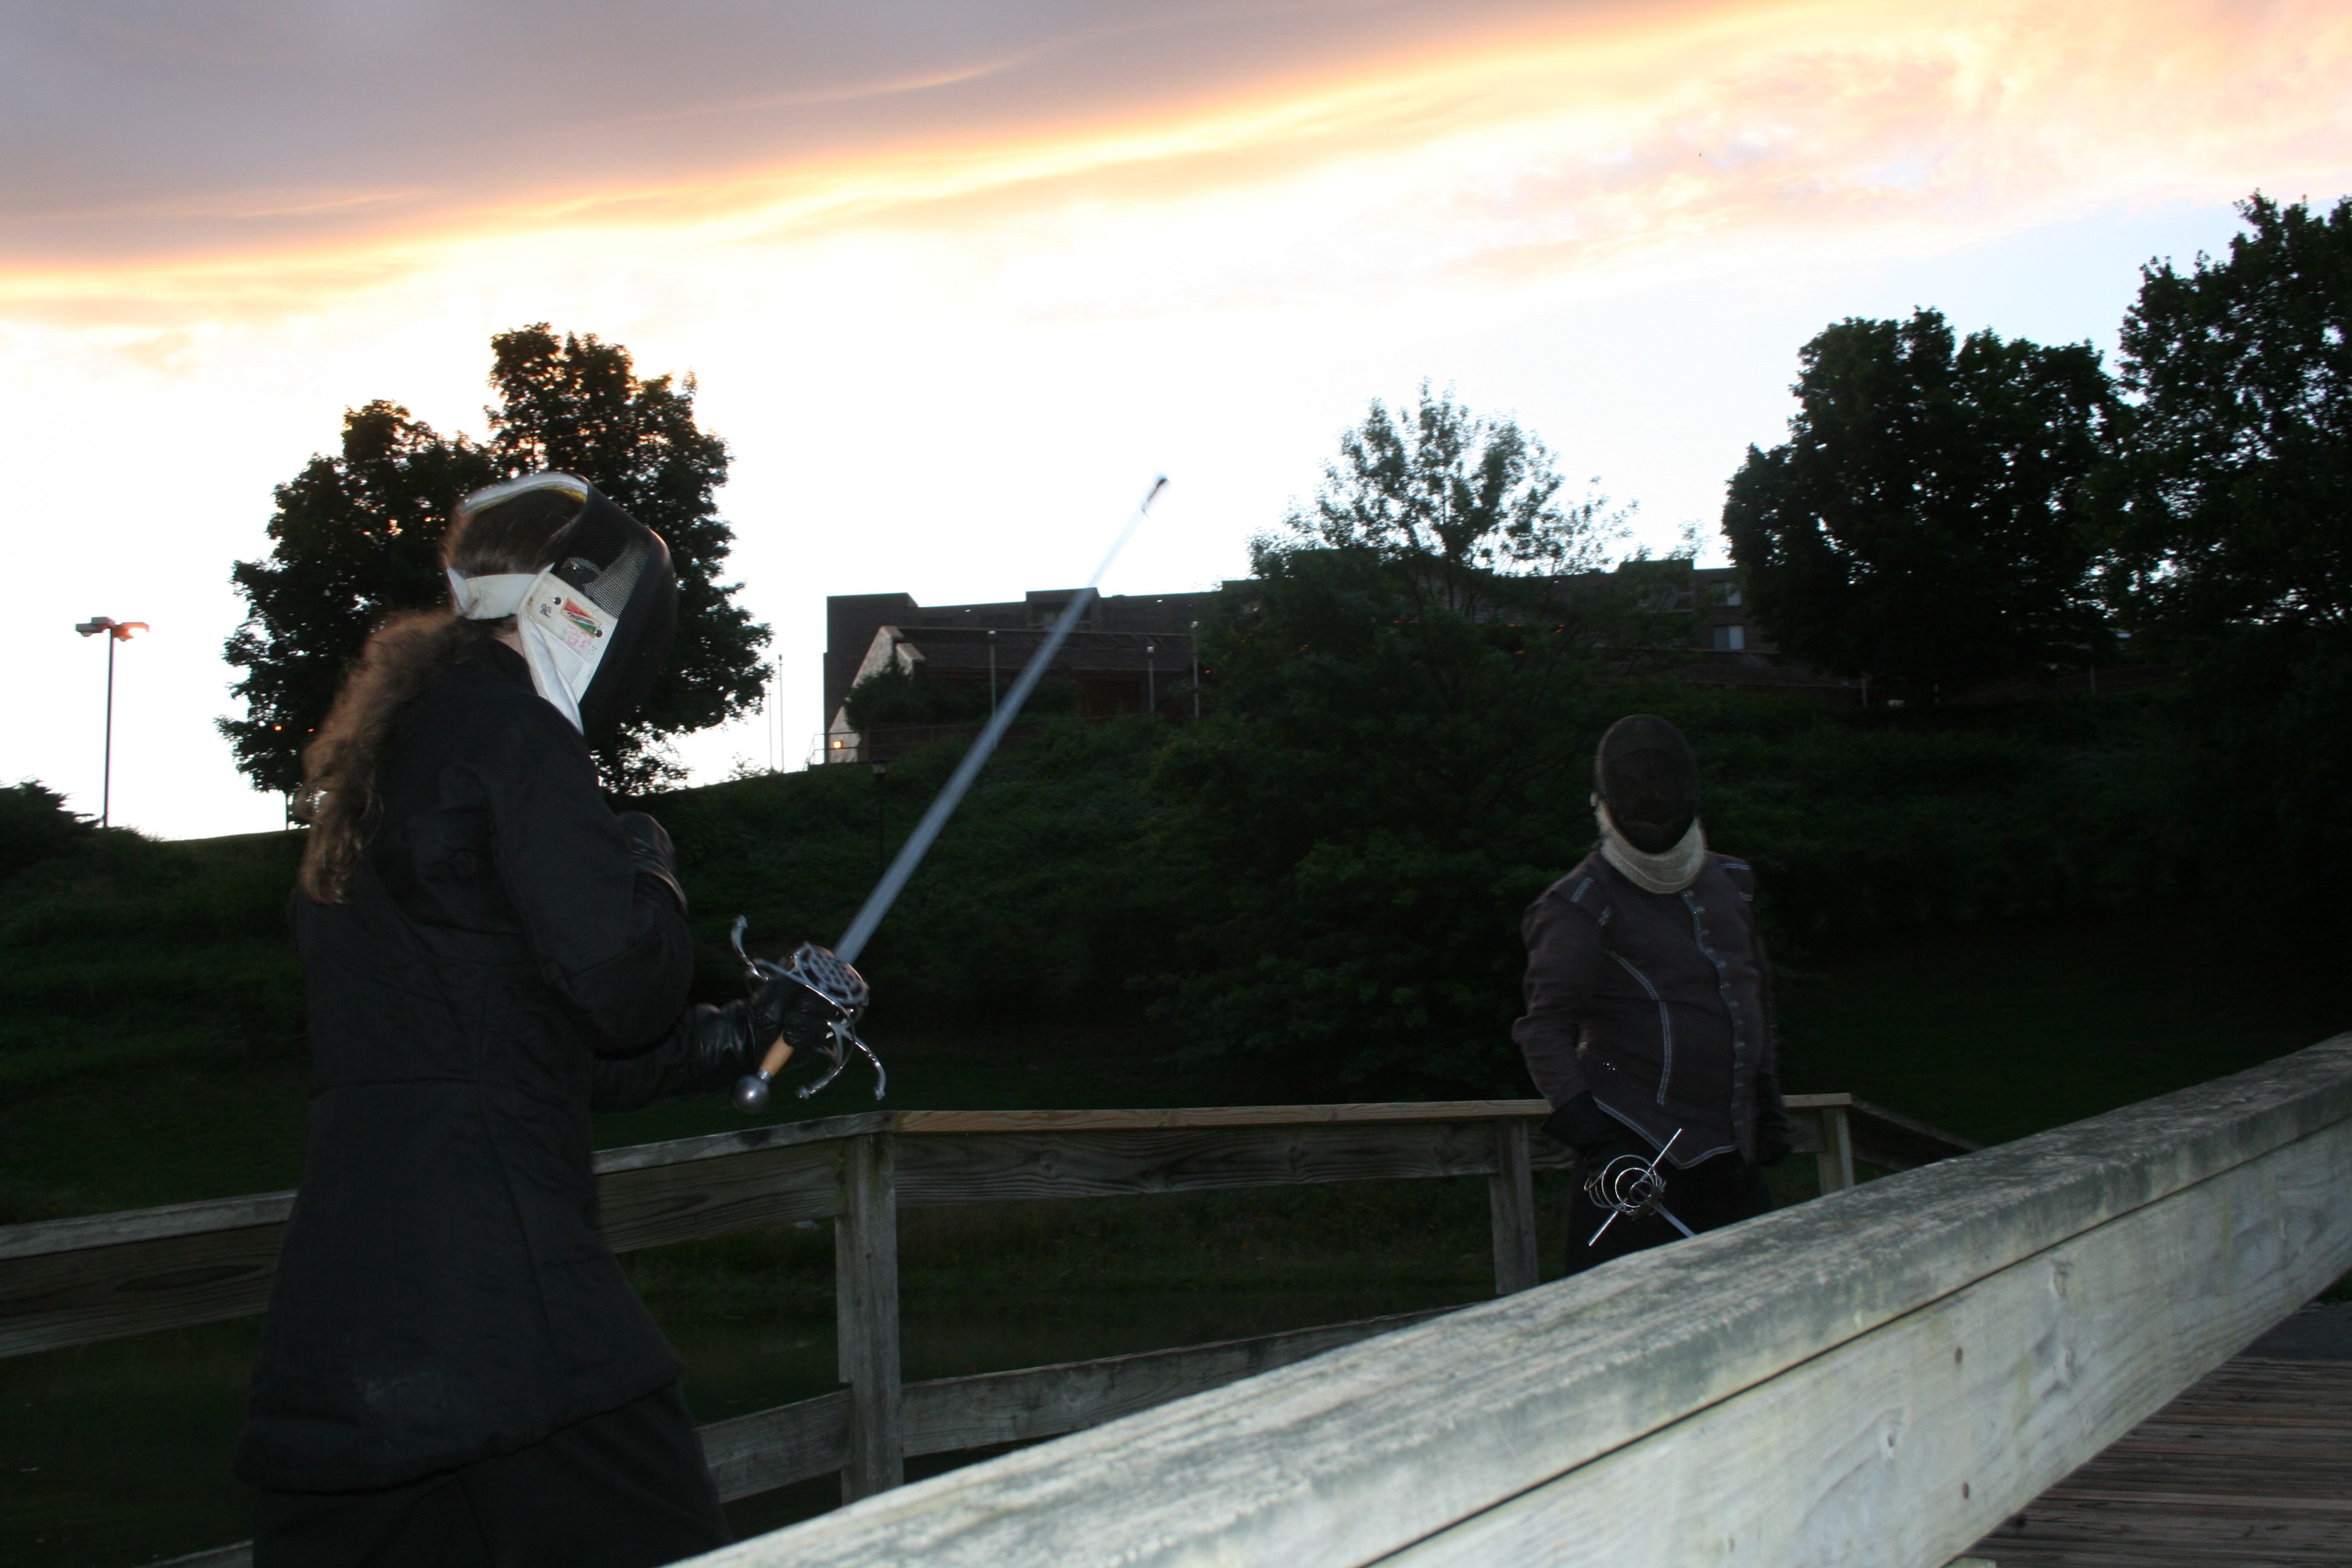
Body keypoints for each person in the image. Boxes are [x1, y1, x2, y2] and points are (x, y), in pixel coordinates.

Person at [236, 473, 831, 1568]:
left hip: (353, 1313)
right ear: (579, 601)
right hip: (506, 1303)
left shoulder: (394, 759)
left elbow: (542, 1046)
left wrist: (751, 1031)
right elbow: (620, 981)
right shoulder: (515, 735)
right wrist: (649, 868)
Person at [1512, 713, 1792, 1273]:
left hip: (1733, 1152)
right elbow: (1543, 1029)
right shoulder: (1580, 904)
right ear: (1609, 802)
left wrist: (1765, 1093)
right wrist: (1595, 1138)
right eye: (1640, 790)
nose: (1654, 800)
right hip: (1637, 1158)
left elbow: (1752, 994)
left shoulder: (1732, 880)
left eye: (1664, 786)